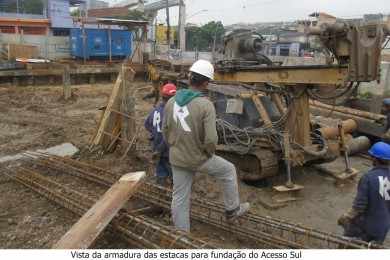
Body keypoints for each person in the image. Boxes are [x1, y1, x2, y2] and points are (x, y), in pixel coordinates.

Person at [162, 59, 250, 232]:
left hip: (177, 157)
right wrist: (208, 154)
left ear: (189, 78)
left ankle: (182, 236)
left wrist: (174, 147)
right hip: (198, 157)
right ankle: (232, 210)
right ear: (206, 82)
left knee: (179, 197)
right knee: (228, 170)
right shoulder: (205, 104)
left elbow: (165, 131)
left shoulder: (171, 101)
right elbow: (211, 140)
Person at [338, 142, 390, 244]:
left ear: (374, 158)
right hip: (383, 227)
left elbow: (359, 206)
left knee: (346, 246)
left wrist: (346, 217)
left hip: (365, 226)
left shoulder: (368, 177)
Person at [145, 83, 177, 186]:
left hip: (156, 146)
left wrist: (154, 133)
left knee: (160, 167)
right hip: (167, 149)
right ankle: (173, 184)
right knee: (172, 169)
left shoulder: (155, 110)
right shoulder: (172, 113)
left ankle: (161, 187)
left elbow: (147, 124)